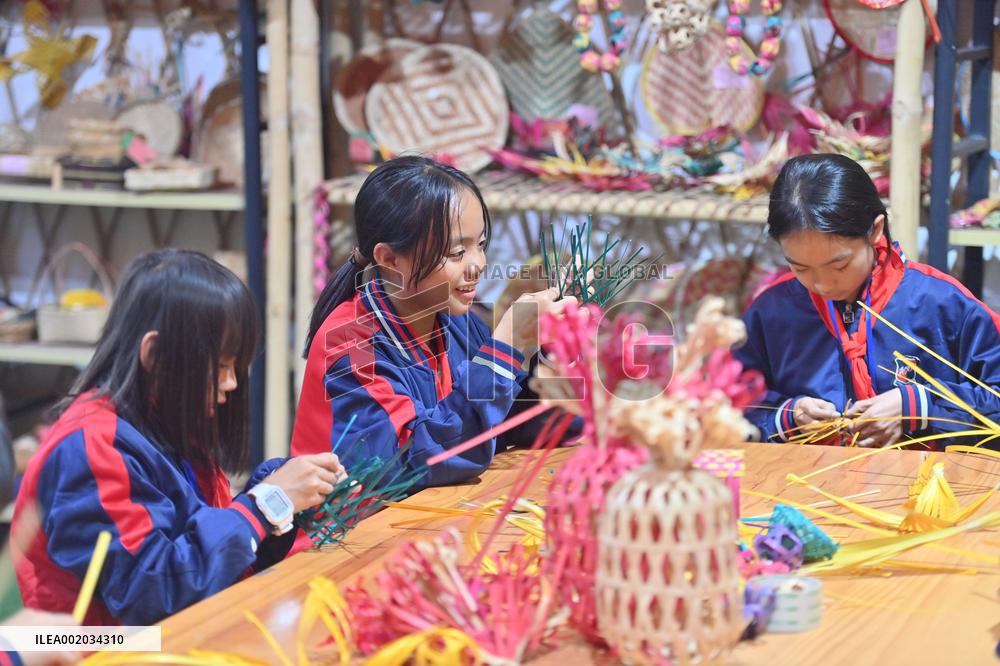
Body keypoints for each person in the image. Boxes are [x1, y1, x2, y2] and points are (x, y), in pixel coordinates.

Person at [13, 250, 346, 625]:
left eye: (235, 368)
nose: (231, 383)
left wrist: (280, 502)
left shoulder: (167, 425)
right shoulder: (90, 448)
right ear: (155, 355)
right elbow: (150, 595)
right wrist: (264, 505)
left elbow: (201, 556)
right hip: (92, 648)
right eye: (220, 367)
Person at [293, 155, 575, 490]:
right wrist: (506, 345)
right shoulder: (351, 343)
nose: (478, 265)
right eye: (456, 253)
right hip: (353, 522)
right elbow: (413, 464)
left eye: (481, 245)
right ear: (390, 258)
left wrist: (559, 355)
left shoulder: (456, 323)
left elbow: (509, 423)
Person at [736, 154, 1000, 448]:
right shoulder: (773, 312)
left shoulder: (940, 303)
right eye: (800, 268)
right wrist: (786, 417)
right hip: (806, 476)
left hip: (927, 476)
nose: (822, 284)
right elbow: (727, 405)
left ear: (875, 230)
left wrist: (921, 406)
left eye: (839, 265)